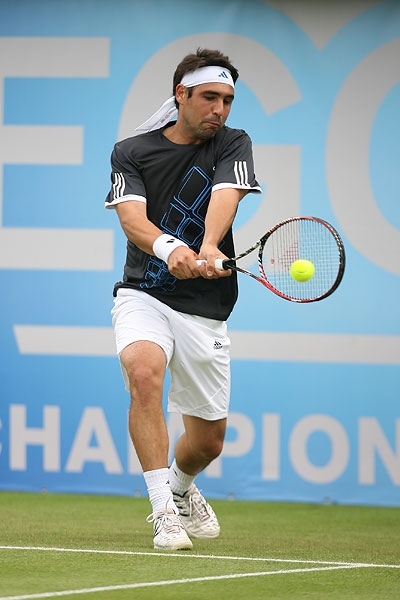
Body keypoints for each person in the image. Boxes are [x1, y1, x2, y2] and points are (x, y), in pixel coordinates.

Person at [105, 48, 261, 550]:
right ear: (181, 95)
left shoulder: (233, 142)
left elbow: (225, 194)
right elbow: (132, 219)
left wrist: (210, 245)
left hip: (205, 310)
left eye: (228, 100)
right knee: (143, 373)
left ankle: (180, 487)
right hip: (143, 293)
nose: (219, 109)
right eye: (209, 97)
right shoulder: (131, 151)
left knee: (208, 442)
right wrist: (170, 248)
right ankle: (162, 512)